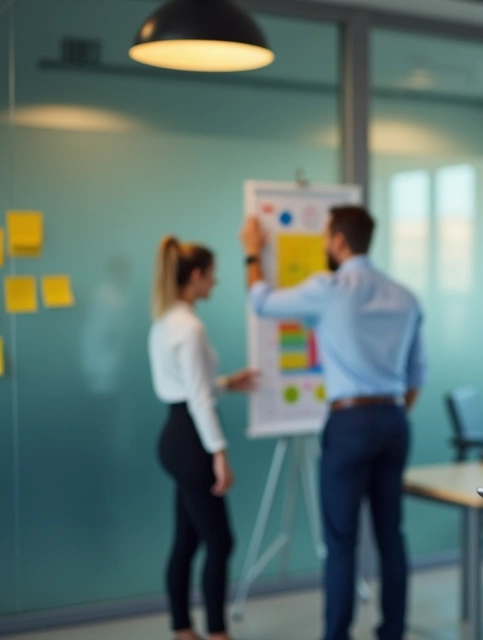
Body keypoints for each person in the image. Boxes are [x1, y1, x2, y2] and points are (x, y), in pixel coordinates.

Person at [240, 206, 425, 640]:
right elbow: (418, 374)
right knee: (390, 535)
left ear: (338, 241)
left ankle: (337, 635)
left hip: (349, 422)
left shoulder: (329, 287)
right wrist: (388, 414)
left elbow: (262, 300)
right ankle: (392, 632)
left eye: (326, 238)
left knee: (341, 543)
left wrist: (252, 253)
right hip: (394, 418)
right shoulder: (405, 295)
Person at [148, 236, 257, 640]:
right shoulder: (190, 327)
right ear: (195, 276)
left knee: (188, 539)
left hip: (175, 436)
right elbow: (197, 396)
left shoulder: (165, 321)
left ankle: (182, 628)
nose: (216, 282)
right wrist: (220, 454)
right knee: (221, 542)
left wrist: (228, 382)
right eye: (212, 274)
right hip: (192, 441)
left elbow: (188, 386)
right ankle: (216, 633)